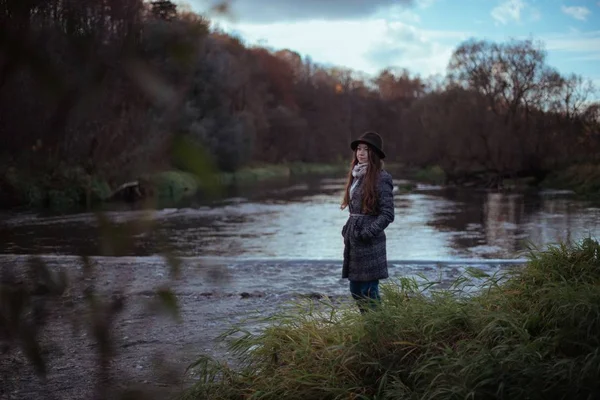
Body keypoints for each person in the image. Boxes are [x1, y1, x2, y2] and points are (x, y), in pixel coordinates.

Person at [340, 131, 395, 313]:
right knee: (355, 289)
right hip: (354, 241)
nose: (361, 153)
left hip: (370, 242)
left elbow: (388, 214)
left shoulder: (382, 177)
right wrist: (347, 230)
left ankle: (378, 328)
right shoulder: (356, 175)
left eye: (366, 149)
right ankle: (369, 324)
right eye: (358, 149)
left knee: (369, 290)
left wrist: (367, 233)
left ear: (375, 153)